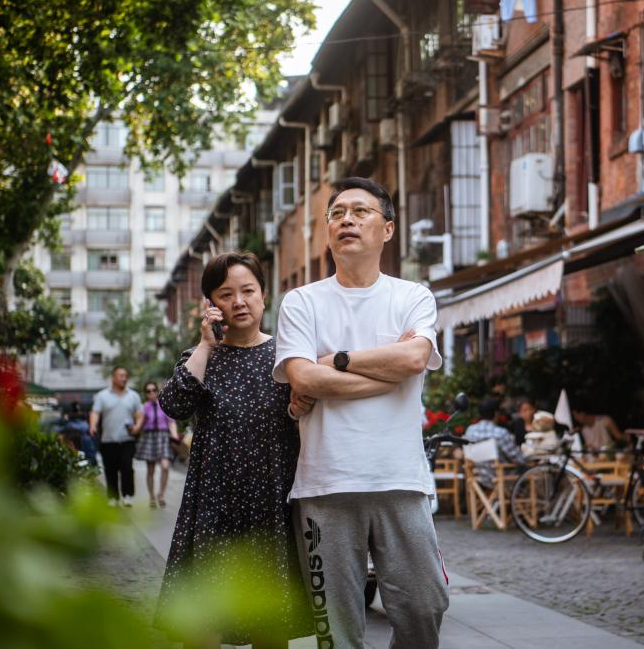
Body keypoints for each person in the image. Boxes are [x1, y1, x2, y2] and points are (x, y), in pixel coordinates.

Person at [273, 177, 448, 649]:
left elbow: (414, 360)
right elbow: (304, 380)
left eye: (360, 211)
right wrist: (383, 371)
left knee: (424, 607)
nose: (346, 220)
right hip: (325, 486)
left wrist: (336, 360)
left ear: (387, 229)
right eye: (337, 213)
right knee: (338, 630)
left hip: (400, 481)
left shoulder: (413, 296)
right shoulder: (301, 301)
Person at [156, 251, 313, 649]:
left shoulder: (289, 357)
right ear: (210, 305)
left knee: (269, 629)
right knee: (202, 630)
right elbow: (173, 404)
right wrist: (206, 346)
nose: (238, 302)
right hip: (213, 509)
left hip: (271, 508)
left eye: (248, 290)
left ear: (265, 296)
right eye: (226, 294)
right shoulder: (200, 359)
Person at [90, 366, 143, 507]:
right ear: (113, 377)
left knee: (127, 467)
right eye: (121, 375)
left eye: (125, 375)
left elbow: (139, 414)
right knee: (110, 469)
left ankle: (128, 495)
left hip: (127, 440)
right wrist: (93, 425)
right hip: (108, 440)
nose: (124, 378)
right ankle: (112, 497)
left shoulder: (134, 395)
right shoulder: (102, 395)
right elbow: (95, 412)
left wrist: (137, 426)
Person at [134, 381, 179, 508]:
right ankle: (152, 497)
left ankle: (161, 495)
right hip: (150, 437)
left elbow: (171, 422)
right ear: (146, 394)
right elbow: (140, 423)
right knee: (151, 470)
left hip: (163, 436)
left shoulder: (164, 405)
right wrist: (134, 429)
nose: (152, 393)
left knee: (165, 466)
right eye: (148, 391)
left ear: (157, 391)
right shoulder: (145, 407)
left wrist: (174, 434)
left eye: (154, 390)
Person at [465, 397, 526, 483]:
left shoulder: (470, 431)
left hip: (478, 476)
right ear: (496, 413)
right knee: (528, 469)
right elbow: (518, 458)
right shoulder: (500, 433)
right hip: (499, 476)